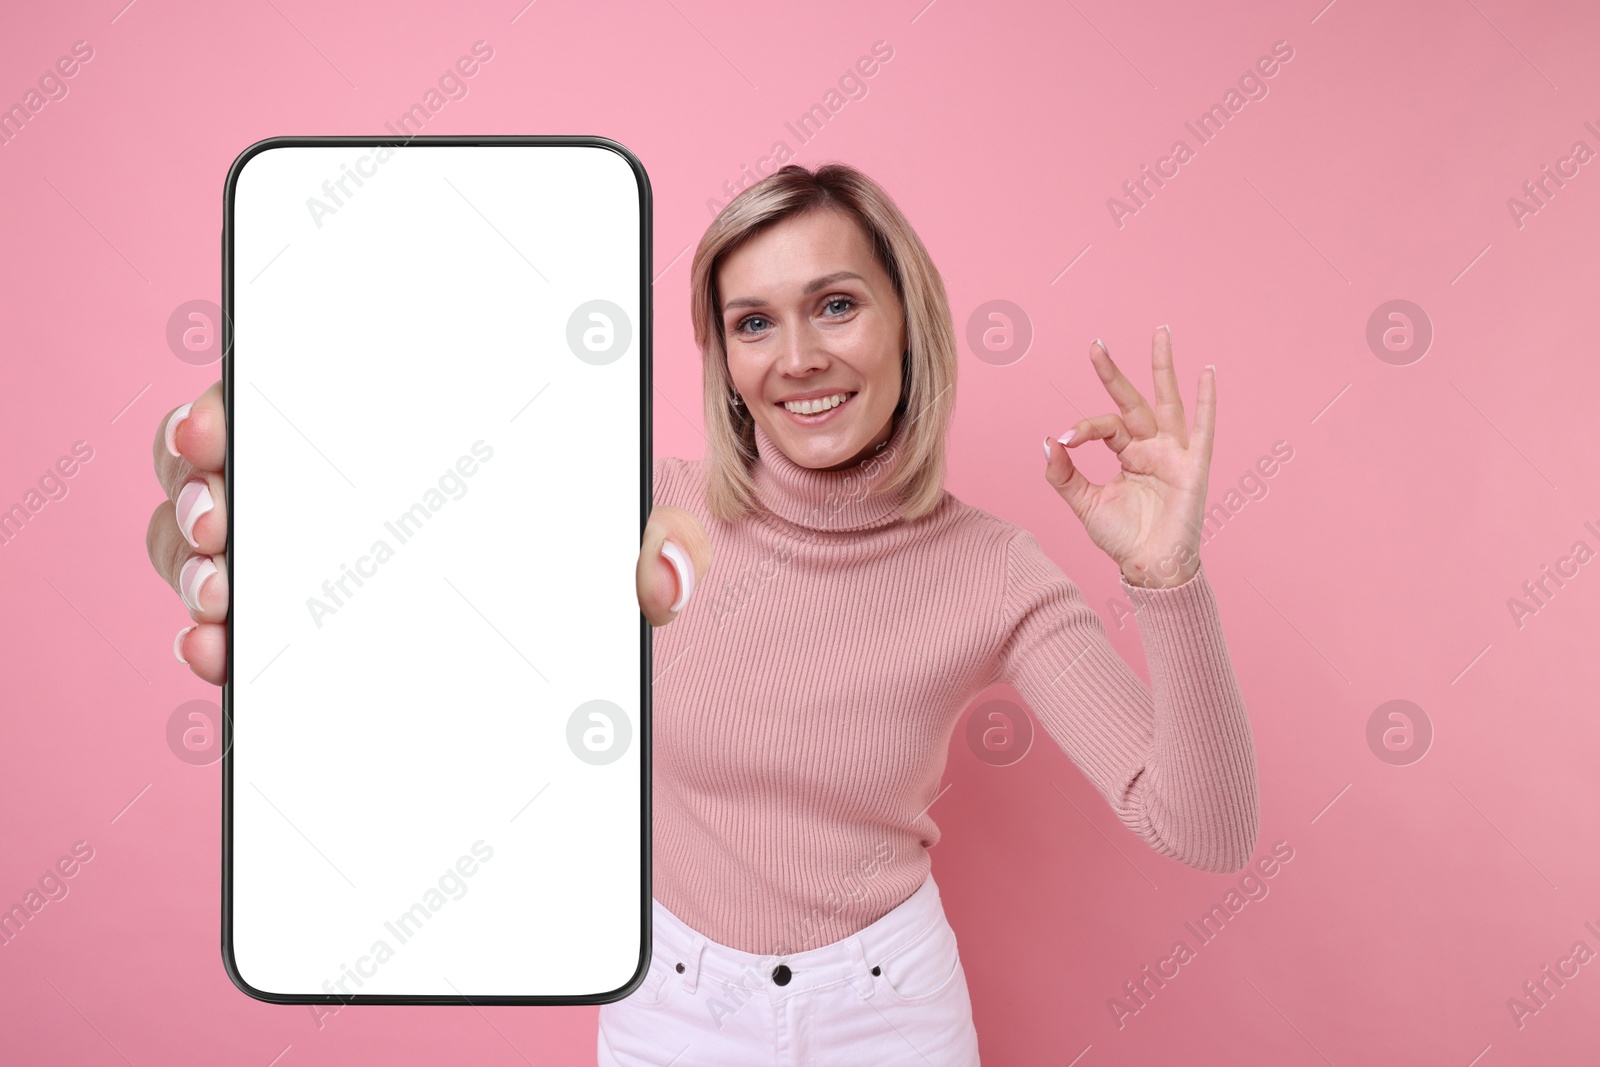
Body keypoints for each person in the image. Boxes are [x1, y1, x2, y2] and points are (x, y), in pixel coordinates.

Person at [145, 162, 1258, 1066]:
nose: (800, 356)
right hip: (670, 1009)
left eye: (835, 303)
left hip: (892, 1015)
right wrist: (259, 496)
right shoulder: (641, 508)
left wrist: (1169, 575)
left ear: (906, 323)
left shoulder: (993, 570)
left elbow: (1200, 829)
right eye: (752, 322)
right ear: (725, 361)